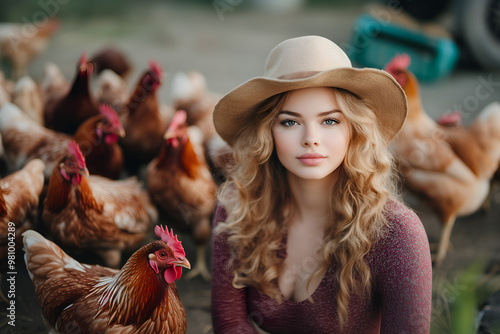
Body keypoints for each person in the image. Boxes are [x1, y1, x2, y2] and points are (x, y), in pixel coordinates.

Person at [210, 35, 432, 334]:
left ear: (354, 130)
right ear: (267, 133)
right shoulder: (237, 208)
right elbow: (230, 324)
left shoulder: (397, 233)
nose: (310, 138)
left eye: (330, 121)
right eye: (290, 121)